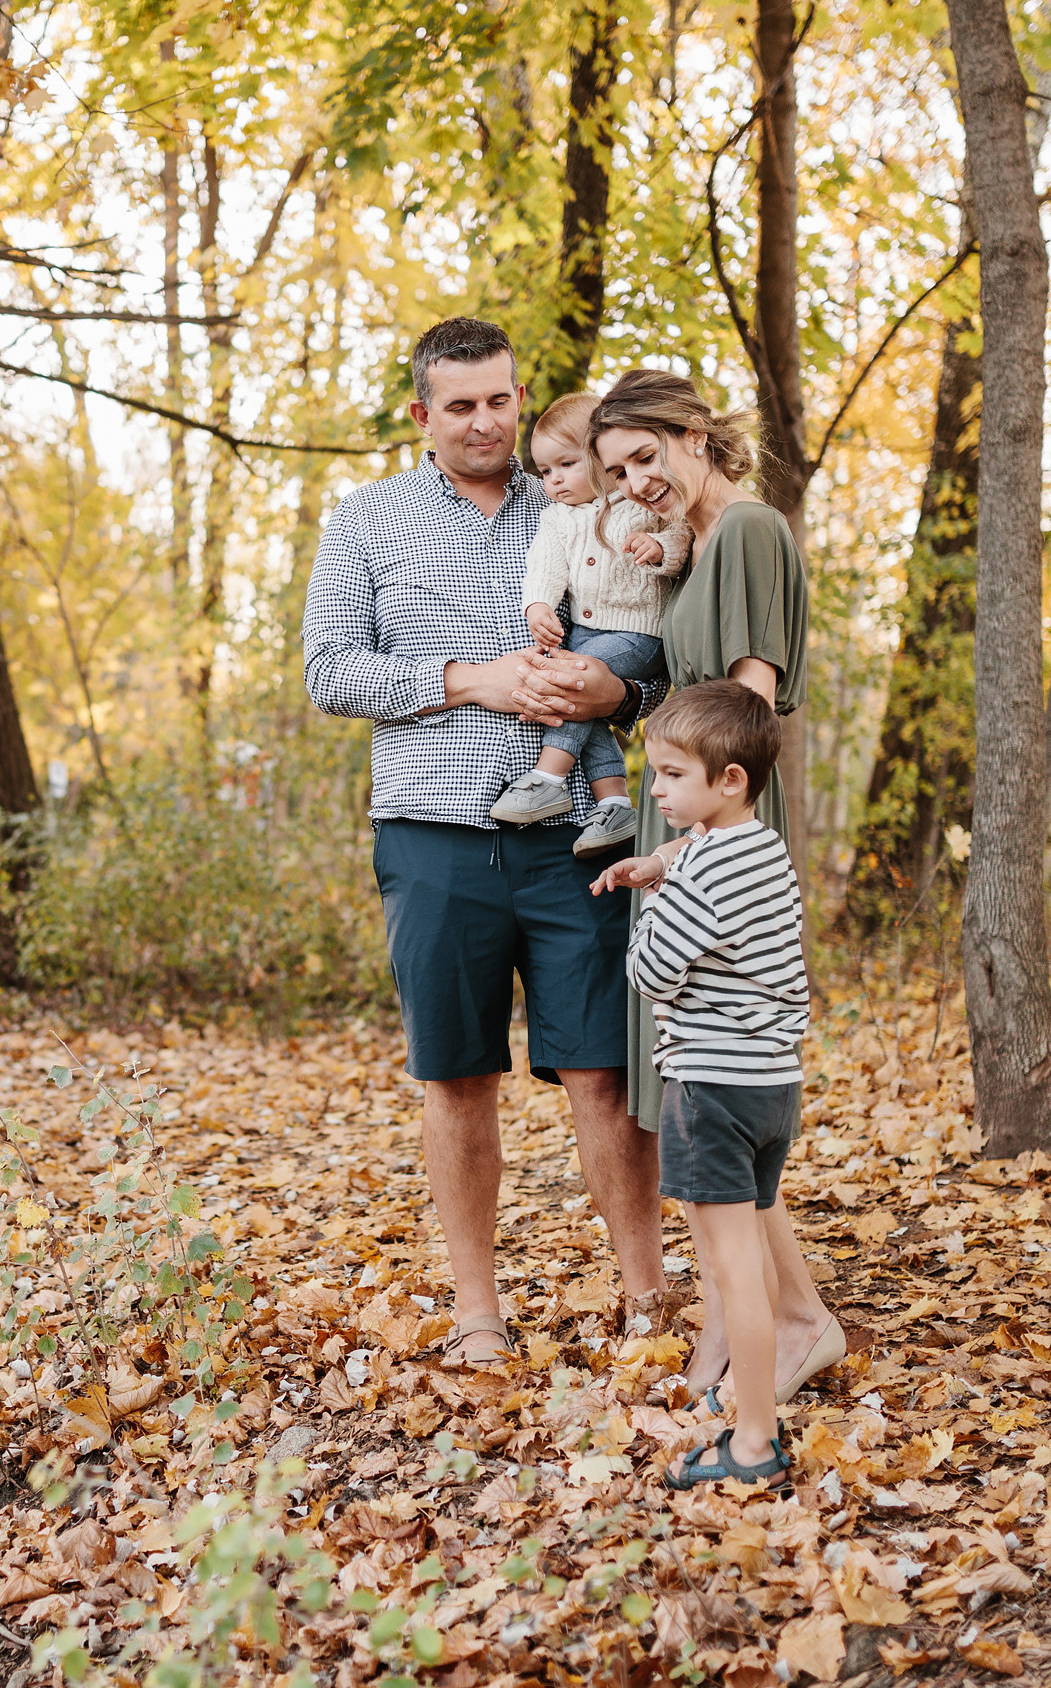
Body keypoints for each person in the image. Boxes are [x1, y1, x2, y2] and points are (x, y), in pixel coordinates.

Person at [301, 318, 667, 1367]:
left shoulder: (581, 497)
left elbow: (655, 641)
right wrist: (473, 680)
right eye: (460, 405)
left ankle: (646, 1301)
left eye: (499, 400)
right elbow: (329, 671)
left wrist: (615, 692)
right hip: (433, 838)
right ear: (423, 414)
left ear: (519, 396)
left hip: (579, 838)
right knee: (458, 1079)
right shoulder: (365, 519)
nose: (484, 422)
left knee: (603, 1072)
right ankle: (477, 1312)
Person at [578, 366, 846, 1417]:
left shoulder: (745, 532)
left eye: (646, 456)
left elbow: (746, 712)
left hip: (711, 834)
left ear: (695, 434)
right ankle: (743, 1314)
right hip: (680, 826)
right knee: (679, 1086)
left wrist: (696, 856)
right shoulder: (692, 545)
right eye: (615, 471)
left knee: (713, 1092)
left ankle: (791, 1319)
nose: (634, 482)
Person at [620, 681, 808, 1490]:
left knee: (735, 1274)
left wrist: (653, 898)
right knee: (748, 1256)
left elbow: (650, 971)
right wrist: (664, 862)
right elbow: (694, 853)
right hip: (771, 1085)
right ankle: (747, 1416)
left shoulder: (700, 876)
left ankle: (755, 1441)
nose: (656, 791)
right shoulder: (762, 849)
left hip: (710, 1086)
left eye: (671, 775)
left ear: (729, 779)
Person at [493, 392, 689, 858]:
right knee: (588, 707)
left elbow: (681, 532)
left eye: (567, 464)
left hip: (639, 633)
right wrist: (538, 606)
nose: (555, 480)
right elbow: (545, 567)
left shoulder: (638, 501)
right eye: (545, 472)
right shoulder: (556, 518)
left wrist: (660, 549)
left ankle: (549, 777)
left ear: (601, 458)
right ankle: (615, 804)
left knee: (572, 681)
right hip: (584, 635)